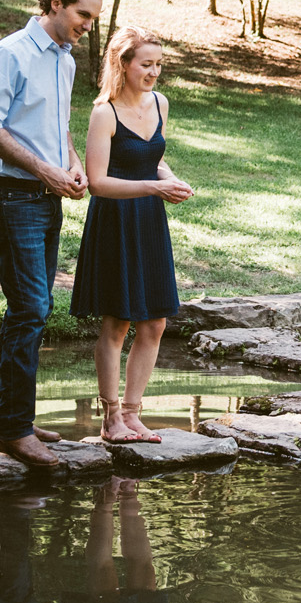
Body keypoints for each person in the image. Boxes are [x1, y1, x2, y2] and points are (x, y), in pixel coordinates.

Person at [0, 0, 104, 468]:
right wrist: (47, 172)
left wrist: (69, 165)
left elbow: (57, 124)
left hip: (44, 197)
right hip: (12, 197)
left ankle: (6, 415)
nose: (87, 26)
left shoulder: (64, 60)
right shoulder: (9, 54)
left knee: (33, 308)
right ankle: (14, 431)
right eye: (81, 15)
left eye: (93, 17)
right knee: (30, 309)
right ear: (54, 3)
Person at [72, 25, 193, 444]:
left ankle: (133, 414)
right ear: (122, 64)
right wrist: (154, 187)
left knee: (155, 322)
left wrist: (170, 178)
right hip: (116, 221)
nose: (154, 72)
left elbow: (152, 158)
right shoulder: (104, 113)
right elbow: (98, 182)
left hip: (149, 220)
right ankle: (110, 421)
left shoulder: (160, 103)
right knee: (117, 323)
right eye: (146, 64)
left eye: (159, 64)